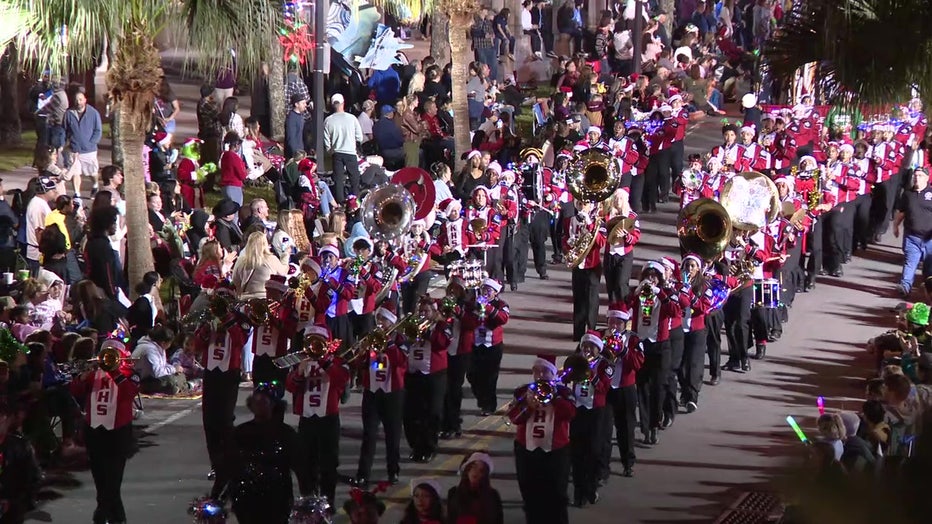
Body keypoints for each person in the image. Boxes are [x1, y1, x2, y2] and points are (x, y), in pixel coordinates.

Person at [210, 382, 310, 524]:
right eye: (256, 400)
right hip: (245, 498)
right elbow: (228, 464)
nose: (259, 404)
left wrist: (307, 496)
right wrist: (216, 496)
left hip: (277, 497)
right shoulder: (240, 432)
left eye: (264, 401)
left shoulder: (285, 434)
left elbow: (300, 467)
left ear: (273, 405)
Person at [69, 340, 140, 524]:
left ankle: (104, 514)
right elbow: (75, 390)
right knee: (100, 479)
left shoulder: (130, 374)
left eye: (113, 354)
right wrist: (81, 378)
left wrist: (115, 371)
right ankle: (112, 516)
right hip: (94, 430)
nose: (108, 358)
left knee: (113, 481)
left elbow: (129, 394)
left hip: (118, 432)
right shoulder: (93, 374)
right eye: (106, 354)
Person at [285, 325, 351, 507]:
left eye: (318, 341)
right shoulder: (300, 361)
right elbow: (290, 386)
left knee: (329, 464)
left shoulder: (338, 361)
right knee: (306, 463)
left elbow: (342, 379)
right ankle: (309, 500)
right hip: (307, 418)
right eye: (311, 341)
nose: (314, 346)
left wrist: (325, 361)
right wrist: (298, 372)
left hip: (328, 418)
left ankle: (327, 502)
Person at [511, 358, 574, 524]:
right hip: (527, 450)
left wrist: (554, 398)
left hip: (555, 452)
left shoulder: (563, 393)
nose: (540, 375)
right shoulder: (523, 392)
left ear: (553, 374)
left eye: (544, 371)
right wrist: (527, 406)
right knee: (530, 496)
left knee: (557, 497)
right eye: (536, 371)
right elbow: (514, 418)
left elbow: (570, 414)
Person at [354, 306, 407, 488]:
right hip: (372, 391)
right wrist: (361, 353)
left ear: (392, 322)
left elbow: (402, 362)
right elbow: (361, 364)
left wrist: (389, 344)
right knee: (369, 434)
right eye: (378, 320)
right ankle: (363, 474)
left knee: (392, 435)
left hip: (393, 393)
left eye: (383, 320)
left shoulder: (401, 339)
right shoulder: (371, 338)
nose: (380, 324)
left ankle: (393, 471)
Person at [893, 167, 932, 297]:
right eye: (915, 175)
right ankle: (905, 286)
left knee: (929, 268)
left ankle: (929, 291)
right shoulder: (907, 194)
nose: (917, 178)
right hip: (912, 236)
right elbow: (901, 212)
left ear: (927, 178)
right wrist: (896, 226)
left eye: (920, 175)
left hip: (929, 238)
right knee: (910, 262)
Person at [323, 93, 364, 203]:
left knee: (338, 180)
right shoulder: (352, 118)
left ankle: (340, 203)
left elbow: (327, 142)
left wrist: (331, 150)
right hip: (350, 151)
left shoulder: (328, 120)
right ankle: (355, 201)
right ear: (343, 103)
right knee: (354, 178)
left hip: (337, 153)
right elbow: (359, 137)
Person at [64, 86, 103, 195]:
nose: (78, 102)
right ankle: (77, 194)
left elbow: (98, 130)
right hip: (74, 150)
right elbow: (65, 130)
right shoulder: (69, 113)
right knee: (76, 172)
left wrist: (92, 142)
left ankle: (95, 185)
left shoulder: (93, 113)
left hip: (89, 150)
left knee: (92, 172)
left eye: (80, 99)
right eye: (76, 100)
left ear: (85, 100)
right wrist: (65, 143)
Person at [447, 451, 504, 524]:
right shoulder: (453, 493)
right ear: (467, 469)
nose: (476, 472)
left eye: (481, 470)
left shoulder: (493, 495)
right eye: (474, 467)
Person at [132, 324, 189, 395]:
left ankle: (179, 386)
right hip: (143, 380)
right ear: (163, 343)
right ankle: (179, 386)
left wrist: (174, 369)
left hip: (153, 377)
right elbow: (157, 372)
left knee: (180, 375)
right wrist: (174, 369)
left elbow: (163, 365)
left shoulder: (159, 347)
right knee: (170, 381)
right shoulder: (149, 350)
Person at [84, 206, 123, 301]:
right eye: (114, 222)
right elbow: (107, 273)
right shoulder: (103, 246)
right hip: (103, 294)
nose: (116, 225)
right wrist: (112, 294)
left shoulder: (92, 241)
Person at [25, 175, 58, 276]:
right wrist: (45, 252)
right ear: (45, 191)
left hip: (40, 252)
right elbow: (39, 231)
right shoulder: (38, 206)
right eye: (53, 190)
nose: (55, 192)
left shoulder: (40, 203)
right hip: (37, 255)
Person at [127, 271, 161, 343]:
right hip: (142, 338)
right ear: (155, 284)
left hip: (149, 336)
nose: (161, 280)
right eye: (159, 279)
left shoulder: (151, 299)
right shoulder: (143, 301)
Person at [219, 132, 248, 205]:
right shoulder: (234, 157)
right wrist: (247, 171)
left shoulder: (225, 155)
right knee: (235, 212)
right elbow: (242, 175)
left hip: (225, 186)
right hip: (234, 186)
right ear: (236, 144)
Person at [285, 93, 307, 160]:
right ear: (296, 104)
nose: (305, 105)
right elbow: (291, 138)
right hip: (296, 155)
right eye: (303, 103)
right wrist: (296, 154)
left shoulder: (300, 116)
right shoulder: (291, 118)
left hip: (301, 152)